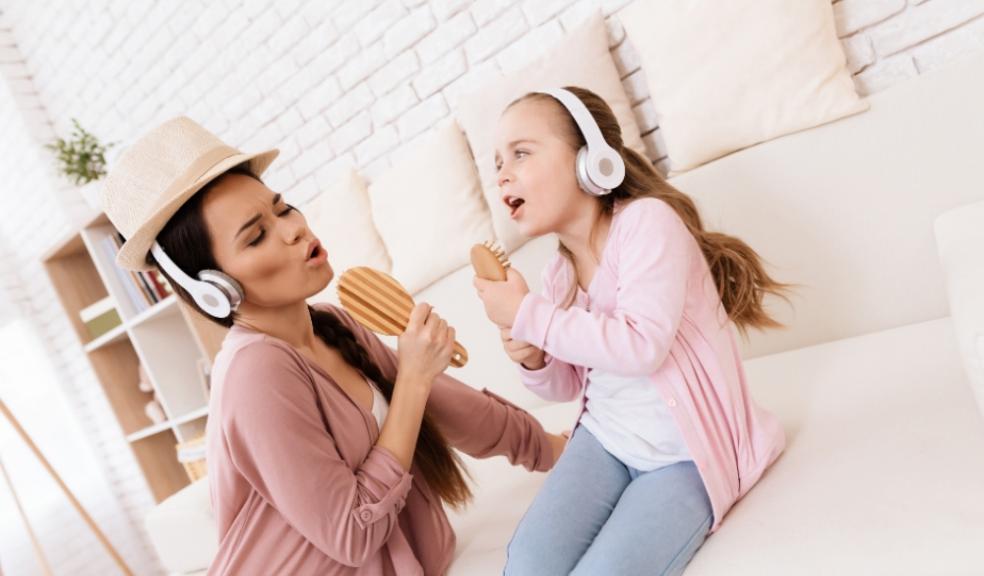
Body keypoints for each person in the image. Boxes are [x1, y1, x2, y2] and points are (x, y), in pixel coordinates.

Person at [100, 117, 566, 575]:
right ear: (214, 290)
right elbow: (351, 533)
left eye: (282, 209)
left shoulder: (331, 324)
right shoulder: (254, 374)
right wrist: (413, 380)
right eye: (257, 236)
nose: (294, 230)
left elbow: (450, 407)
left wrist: (550, 447)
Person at [473, 87, 788, 575]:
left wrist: (532, 315)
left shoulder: (647, 224)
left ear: (590, 159)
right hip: (604, 441)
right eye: (497, 163)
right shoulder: (558, 275)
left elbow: (642, 347)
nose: (502, 174)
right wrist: (533, 357)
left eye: (521, 153)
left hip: (682, 460)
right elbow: (570, 384)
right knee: (527, 565)